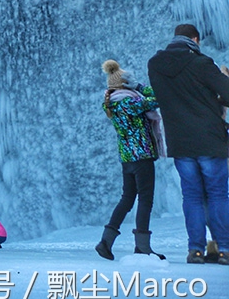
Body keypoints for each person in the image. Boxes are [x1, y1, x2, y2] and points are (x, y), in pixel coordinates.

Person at [147, 23, 229, 264]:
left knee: (192, 196)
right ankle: (224, 248)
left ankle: (195, 250)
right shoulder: (201, 63)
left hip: (180, 142)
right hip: (210, 140)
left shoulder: (155, 65)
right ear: (195, 39)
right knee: (217, 195)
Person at [95, 59, 164, 260]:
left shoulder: (111, 103)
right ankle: (142, 247)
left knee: (127, 199)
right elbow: (159, 97)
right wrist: (140, 86)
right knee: (145, 199)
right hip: (142, 156)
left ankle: (105, 242)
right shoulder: (131, 102)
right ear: (125, 85)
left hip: (127, 158)